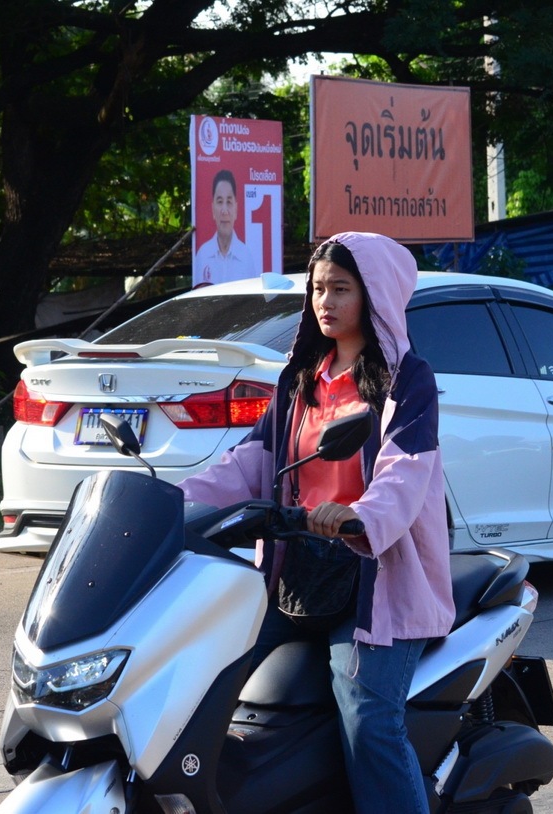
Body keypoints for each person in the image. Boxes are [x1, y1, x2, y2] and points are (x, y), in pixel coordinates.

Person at [177, 232, 454, 813]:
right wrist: (174, 503)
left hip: (373, 577)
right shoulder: (301, 376)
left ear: (375, 294)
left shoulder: (408, 380)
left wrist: (358, 516)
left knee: (368, 715)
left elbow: (405, 473)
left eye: (341, 288)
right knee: (200, 675)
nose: (325, 301)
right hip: (293, 570)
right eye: (318, 288)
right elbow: (252, 461)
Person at [193, 169, 257, 286]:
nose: (224, 211)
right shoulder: (202, 255)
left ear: (236, 209)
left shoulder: (246, 257)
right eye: (220, 201)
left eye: (229, 202)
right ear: (213, 209)